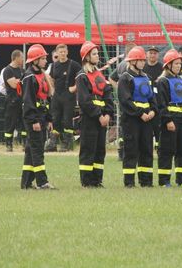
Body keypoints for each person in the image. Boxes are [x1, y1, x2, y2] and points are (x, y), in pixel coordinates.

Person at [118, 46, 158, 188]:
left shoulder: (147, 78)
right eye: (141, 60)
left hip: (147, 118)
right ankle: (129, 182)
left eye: (143, 60)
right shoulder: (125, 78)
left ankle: (146, 181)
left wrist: (153, 111)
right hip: (132, 120)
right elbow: (125, 101)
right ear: (133, 61)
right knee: (131, 149)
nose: (143, 62)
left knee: (147, 148)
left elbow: (152, 97)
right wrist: (140, 113)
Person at [75, 41, 114, 187]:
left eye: (97, 53)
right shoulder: (81, 76)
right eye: (94, 54)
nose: (98, 56)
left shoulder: (100, 75)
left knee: (100, 150)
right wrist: (99, 115)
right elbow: (84, 101)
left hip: (102, 118)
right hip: (90, 118)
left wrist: (108, 114)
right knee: (88, 149)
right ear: (86, 57)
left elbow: (108, 95)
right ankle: (87, 181)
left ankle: (97, 180)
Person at [156, 49, 182, 187]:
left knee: (181, 150)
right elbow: (161, 103)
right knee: (167, 150)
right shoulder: (163, 81)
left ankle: (181, 180)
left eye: (179, 63)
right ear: (168, 65)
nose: (179, 66)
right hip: (171, 119)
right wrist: (168, 120)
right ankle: (164, 181)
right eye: (176, 64)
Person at [20, 44, 56, 190]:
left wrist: (48, 119)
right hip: (34, 118)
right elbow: (28, 101)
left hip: (41, 116)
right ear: (34, 60)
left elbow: (47, 99)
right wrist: (33, 120)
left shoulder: (42, 75)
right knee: (37, 150)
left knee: (31, 150)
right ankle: (42, 182)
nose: (45, 61)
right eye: (43, 58)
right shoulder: (29, 77)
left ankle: (26, 183)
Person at [47, 44, 81, 152]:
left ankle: (67, 144)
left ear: (67, 52)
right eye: (60, 52)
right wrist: (52, 89)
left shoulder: (74, 64)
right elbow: (51, 78)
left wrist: (74, 88)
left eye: (64, 51)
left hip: (68, 96)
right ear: (57, 53)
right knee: (55, 119)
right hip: (57, 95)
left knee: (67, 120)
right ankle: (53, 144)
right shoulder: (54, 65)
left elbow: (81, 76)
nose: (62, 54)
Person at [2, 50, 26, 151]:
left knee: (24, 123)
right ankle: (8, 145)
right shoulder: (8, 70)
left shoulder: (22, 70)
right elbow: (13, 85)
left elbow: (24, 83)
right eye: (22, 57)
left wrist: (18, 81)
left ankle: (25, 144)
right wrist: (20, 82)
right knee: (10, 123)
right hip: (12, 101)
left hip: (22, 101)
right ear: (16, 57)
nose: (23, 60)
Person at [144, 46, 162, 150]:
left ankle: (160, 150)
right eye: (150, 53)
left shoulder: (162, 68)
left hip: (159, 103)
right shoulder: (143, 68)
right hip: (146, 104)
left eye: (154, 53)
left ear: (158, 55)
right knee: (147, 130)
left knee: (158, 128)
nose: (152, 55)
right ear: (147, 55)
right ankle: (147, 149)